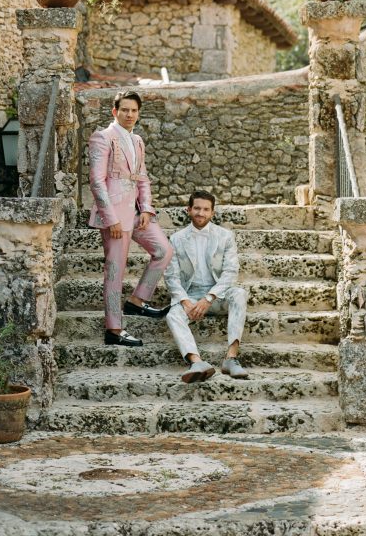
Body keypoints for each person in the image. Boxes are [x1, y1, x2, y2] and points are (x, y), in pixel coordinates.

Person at [88, 89, 173, 347]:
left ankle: (137, 301)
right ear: (115, 112)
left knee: (164, 250)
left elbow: (142, 177)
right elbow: (96, 181)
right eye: (124, 109)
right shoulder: (102, 137)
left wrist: (147, 208)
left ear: (138, 113)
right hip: (114, 216)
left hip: (136, 213)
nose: (129, 114)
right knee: (115, 271)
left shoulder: (137, 141)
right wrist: (110, 218)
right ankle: (113, 329)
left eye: (134, 110)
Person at [164, 191, 249, 383]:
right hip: (191, 296)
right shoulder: (176, 239)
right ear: (189, 210)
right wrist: (185, 302)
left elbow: (230, 272)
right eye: (197, 208)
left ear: (212, 213)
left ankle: (231, 358)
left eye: (205, 209)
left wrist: (209, 297)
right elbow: (171, 276)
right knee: (172, 314)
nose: (201, 213)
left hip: (217, 295)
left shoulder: (225, 236)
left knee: (239, 294)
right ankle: (197, 362)